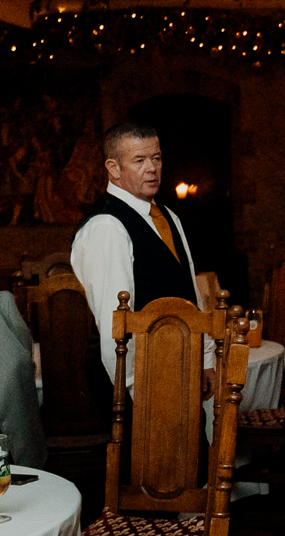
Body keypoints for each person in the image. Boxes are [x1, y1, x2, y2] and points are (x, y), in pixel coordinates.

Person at [70, 120, 208, 385]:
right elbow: (116, 325)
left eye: (156, 158)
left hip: (178, 368)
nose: (152, 169)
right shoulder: (106, 226)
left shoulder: (168, 216)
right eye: (139, 160)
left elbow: (192, 294)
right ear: (114, 168)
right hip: (141, 382)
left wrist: (206, 360)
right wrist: (134, 392)